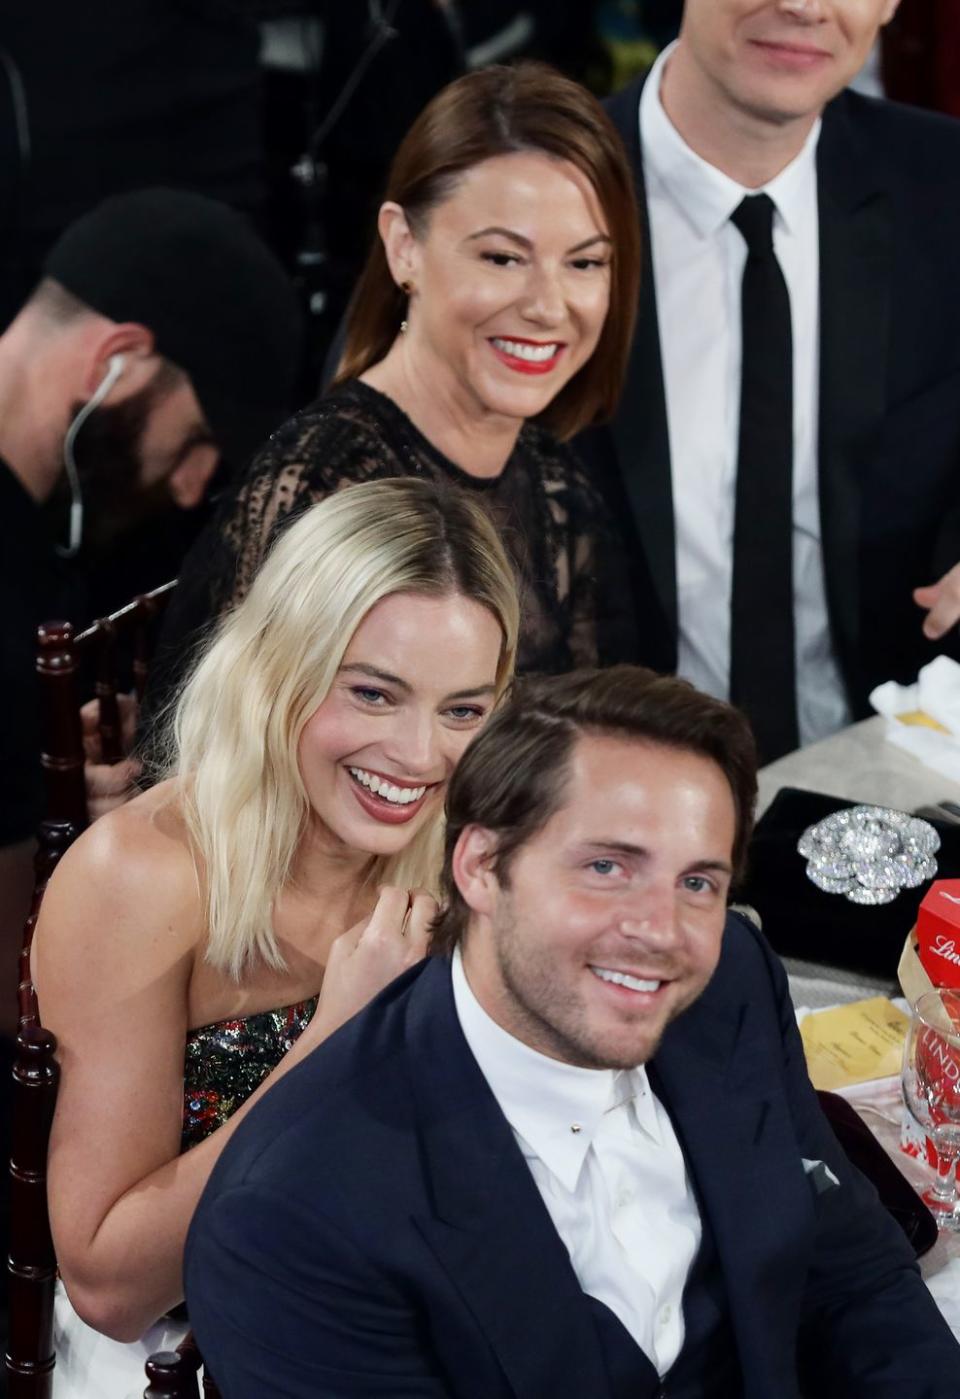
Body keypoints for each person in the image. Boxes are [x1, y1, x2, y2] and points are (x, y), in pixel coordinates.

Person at [185, 665, 960, 1397]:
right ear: (481, 866)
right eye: (607, 868)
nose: (662, 931)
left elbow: (854, 1275)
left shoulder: (730, 985)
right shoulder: (291, 1218)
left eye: (697, 880)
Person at [31, 477, 519, 1396]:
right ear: (278, 670)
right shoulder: (138, 880)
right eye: (375, 694)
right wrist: (338, 1042)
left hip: (407, 1303)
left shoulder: (473, 829)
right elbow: (110, 1284)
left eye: (463, 709)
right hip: (184, 1357)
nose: (421, 757)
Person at [147, 60, 642, 721]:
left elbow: (591, 740)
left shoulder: (557, 487)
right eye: (502, 258)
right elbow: (238, 778)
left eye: (584, 263)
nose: (549, 307)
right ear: (403, 246)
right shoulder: (324, 483)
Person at [578, 0, 960, 763]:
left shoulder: (945, 188)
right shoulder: (530, 188)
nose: (804, 6)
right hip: (585, 787)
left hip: (901, 775)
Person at [0, 187, 303, 1021]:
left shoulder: (42, 560)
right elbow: (14, 984)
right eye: (200, 436)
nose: (192, 484)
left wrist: (61, 810)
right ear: (116, 362)